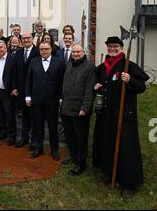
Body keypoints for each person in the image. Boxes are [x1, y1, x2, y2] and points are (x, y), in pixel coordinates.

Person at [92, 36, 149, 197]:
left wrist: (130, 79)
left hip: (124, 114)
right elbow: (101, 84)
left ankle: (129, 182)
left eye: (115, 46)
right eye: (110, 46)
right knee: (107, 142)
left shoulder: (128, 65)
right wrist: (97, 87)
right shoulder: (103, 67)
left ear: (122, 48)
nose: (112, 48)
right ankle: (110, 172)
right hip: (107, 113)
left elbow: (142, 86)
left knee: (126, 147)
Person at [61, 43, 96, 175]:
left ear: (84, 52)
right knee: (70, 136)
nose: (75, 54)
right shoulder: (69, 65)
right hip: (66, 107)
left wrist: (85, 108)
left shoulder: (89, 67)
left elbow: (89, 90)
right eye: (73, 52)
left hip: (80, 109)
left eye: (78, 52)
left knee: (81, 138)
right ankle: (73, 156)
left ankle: (81, 163)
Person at [26, 41, 65, 160]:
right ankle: (38, 148)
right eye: (42, 49)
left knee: (53, 127)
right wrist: (28, 96)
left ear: (51, 49)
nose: (44, 51)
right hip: (36, 100)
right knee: (38, 126)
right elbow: (29, 80)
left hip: (52, 101)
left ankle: (54, 150)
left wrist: (61, 97)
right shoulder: (34, 61)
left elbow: (62, 81)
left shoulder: (59, 62)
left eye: (46, 49)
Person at [13, 32, 39, 148]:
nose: (26, 40)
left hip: (34, 90)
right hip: (21, 90)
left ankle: (34, 140)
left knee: (34, 117)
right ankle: (24, 138)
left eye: (28, 38)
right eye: (24, 38)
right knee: (24, 117)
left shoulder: (37, 52)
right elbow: (15, 71)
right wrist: (14, 87)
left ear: (32, 39)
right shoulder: (18, 52)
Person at [0, 40, 17, 145]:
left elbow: (15, 75)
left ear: (6, 47)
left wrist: (14, 88)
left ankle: (12, 136)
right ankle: (2, 132)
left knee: (9, 115)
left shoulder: (12, 59)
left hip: (8, 92)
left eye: (1, 47)